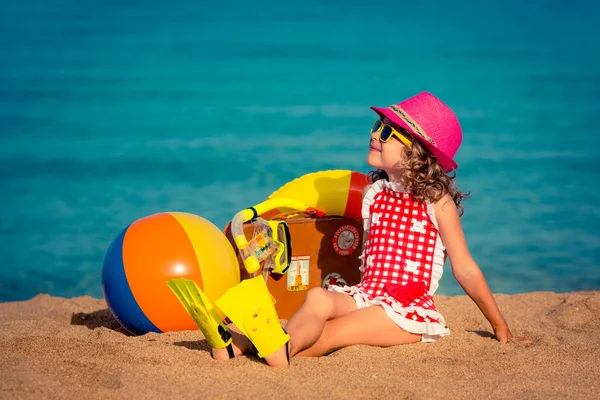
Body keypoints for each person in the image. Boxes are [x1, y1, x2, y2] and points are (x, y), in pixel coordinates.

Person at [171, 92, 527, 368]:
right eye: (376, 126)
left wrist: (499, 326)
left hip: (404, 311)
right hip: (366, 292)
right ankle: (241, 346)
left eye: (387, 132)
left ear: (417, 152)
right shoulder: (375, 193)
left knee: (335, 333)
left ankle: (275, 348)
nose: (375, 134)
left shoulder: (437, 202)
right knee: (317, 298)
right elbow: (324, 202)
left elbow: (464, 267)